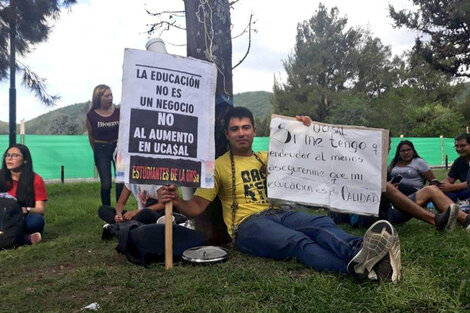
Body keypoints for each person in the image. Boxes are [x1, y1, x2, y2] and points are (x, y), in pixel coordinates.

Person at [158, 107, 401, 282]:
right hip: (246, 227)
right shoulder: (218, 166)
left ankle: (360, 249)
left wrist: (302, 127)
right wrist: (177, 200)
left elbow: (303, 154)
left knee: (319, 223)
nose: (241, 133)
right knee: (297, 242)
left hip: (278, 213)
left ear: (254, 130)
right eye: (235, 129)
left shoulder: (267, 157)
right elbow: (198, 207)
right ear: (227, 135)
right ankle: (358, 268)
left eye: (246, 127)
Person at [0, 144, 47, 244]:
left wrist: (25, 209)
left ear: (25, 160)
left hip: (21, 216)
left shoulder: (35, 179)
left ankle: (9, 236)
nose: (9, 158)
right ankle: (25, 239)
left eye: (15, 155)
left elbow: (41, 210)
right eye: (7, 155)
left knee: (36, 221)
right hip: (2, 215)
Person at [86, 84, 123, 206]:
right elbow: (91, 135)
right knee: (106, 184)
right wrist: (96, 151)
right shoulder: (91, 115)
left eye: (111, 95)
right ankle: (107, 211)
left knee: (121, 181)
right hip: (101, 149)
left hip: (118, 148)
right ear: (98, 98)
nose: (110, 98)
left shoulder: (118, 112)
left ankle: (119, 211)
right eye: (107, 96)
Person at [438, 133, 470, 202]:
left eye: (463, 146)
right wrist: (441, 185)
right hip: (463, 192)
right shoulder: (458, 162)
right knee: (437, 192)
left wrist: (452, 187)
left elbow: (469, 183)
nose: (459, 149)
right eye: (456, 146)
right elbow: (449, 179)